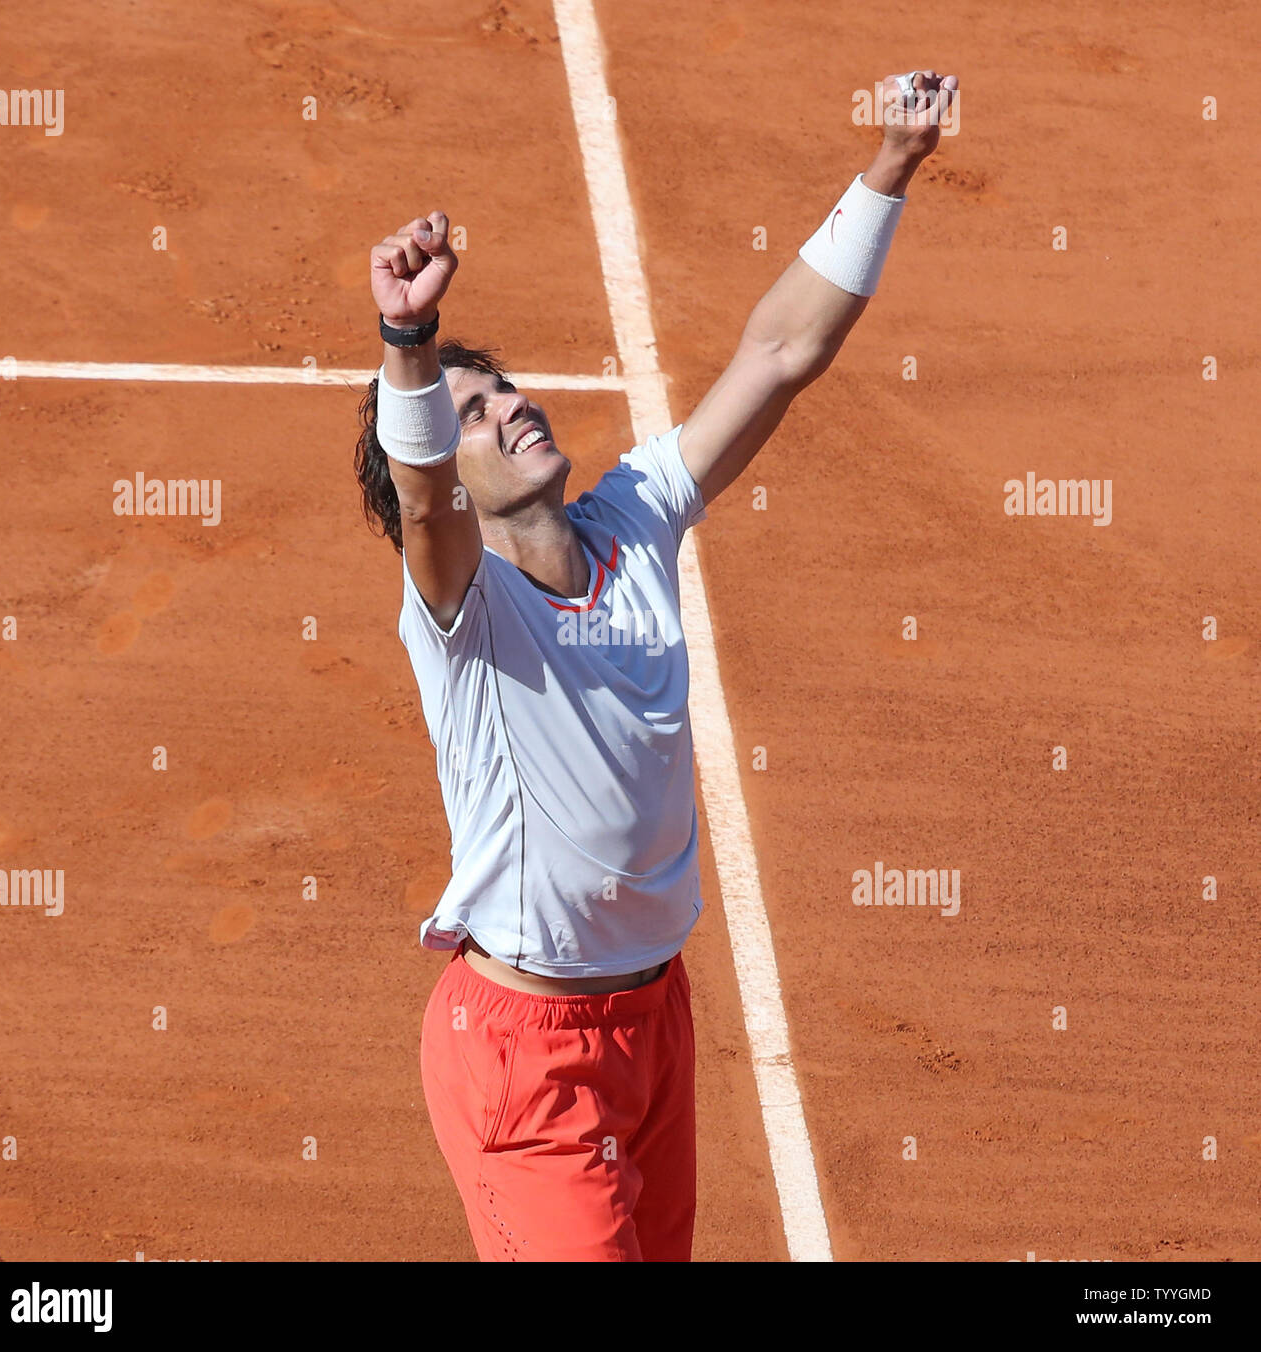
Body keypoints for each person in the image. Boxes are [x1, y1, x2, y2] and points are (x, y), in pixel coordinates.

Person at [353, 69, 958, 1262]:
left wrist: (889, 166)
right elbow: (420, 501)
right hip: (525, 1057)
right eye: (472, 414)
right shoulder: (464, 611)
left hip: (653, 1020)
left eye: (504, 388)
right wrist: (410, 346)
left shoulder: (634, 519)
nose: (509, 409)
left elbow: (782, 350)